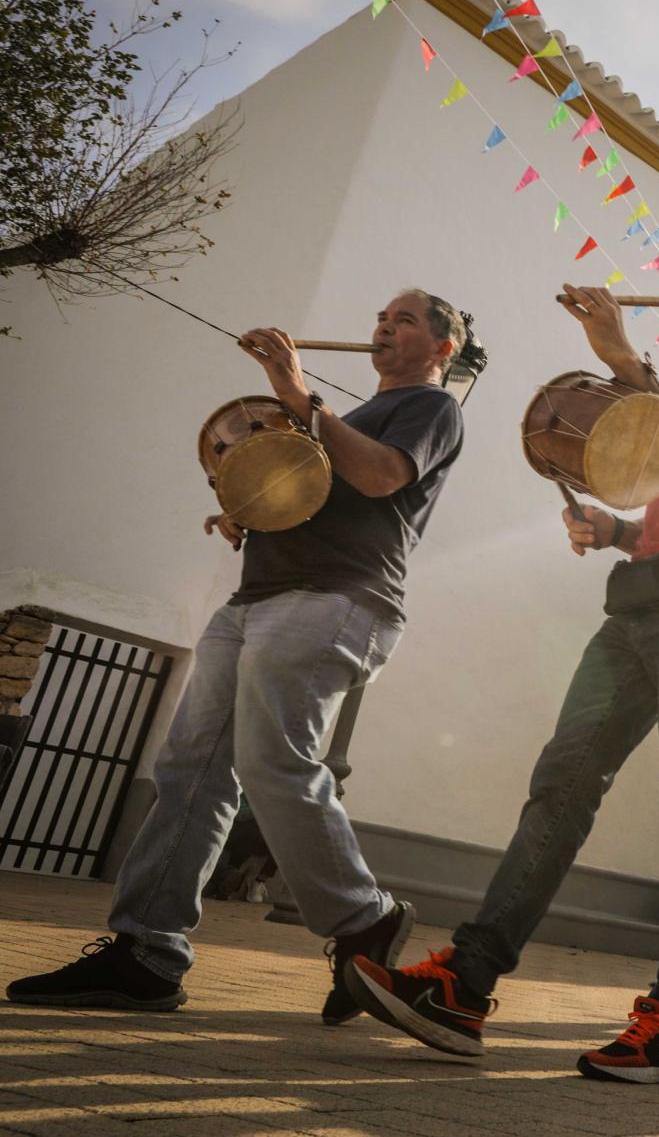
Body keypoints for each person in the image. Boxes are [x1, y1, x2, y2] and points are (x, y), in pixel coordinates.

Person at [347, 245, 659, 1083]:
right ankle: (466, 983)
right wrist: (619, 529)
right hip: (644, 599)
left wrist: (623, 358)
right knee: (562, 784)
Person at [9, 291, 468, 1022]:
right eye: (381, 315)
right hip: (258, 598)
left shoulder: (432, 409)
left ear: (443, 347)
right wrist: (248, 506)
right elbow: (315, 492)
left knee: (271, 762)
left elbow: (381, 476)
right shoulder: (343, 420)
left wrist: (297, 394)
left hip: (336, 598)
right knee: (189, 768)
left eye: (406, 320)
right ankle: (146, 953)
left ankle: (364, 917)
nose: (383, 325)